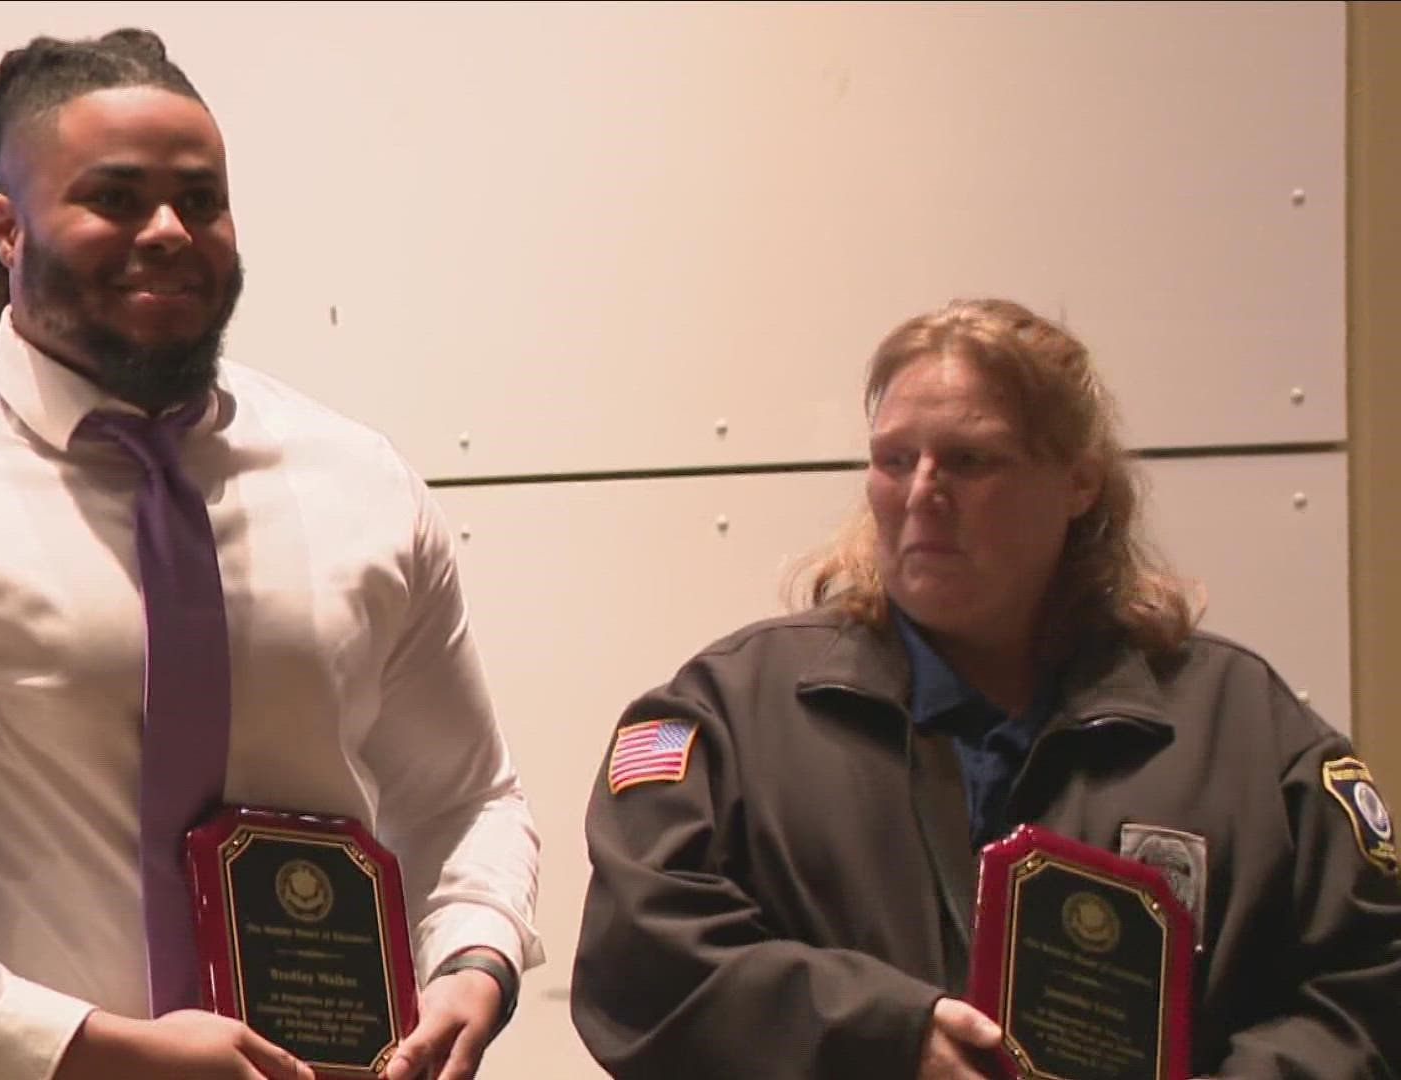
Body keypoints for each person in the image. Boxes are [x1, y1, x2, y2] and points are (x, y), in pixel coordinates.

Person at [0, 27, 543, 1080]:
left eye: (200, 200)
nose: (167, 231)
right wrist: (80, 1050)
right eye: (113, 199)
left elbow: (465, 799)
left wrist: (477, 959)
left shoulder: (360, 487)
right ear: (6, 229)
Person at [571, 298, 1401, 1079]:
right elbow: (639, 961)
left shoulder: (1241, 729)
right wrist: (888, 1036)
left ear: (1079, 482)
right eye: (895, 459)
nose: (924, 492)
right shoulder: (733, 714)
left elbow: (1365, 987)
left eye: (970, 461)